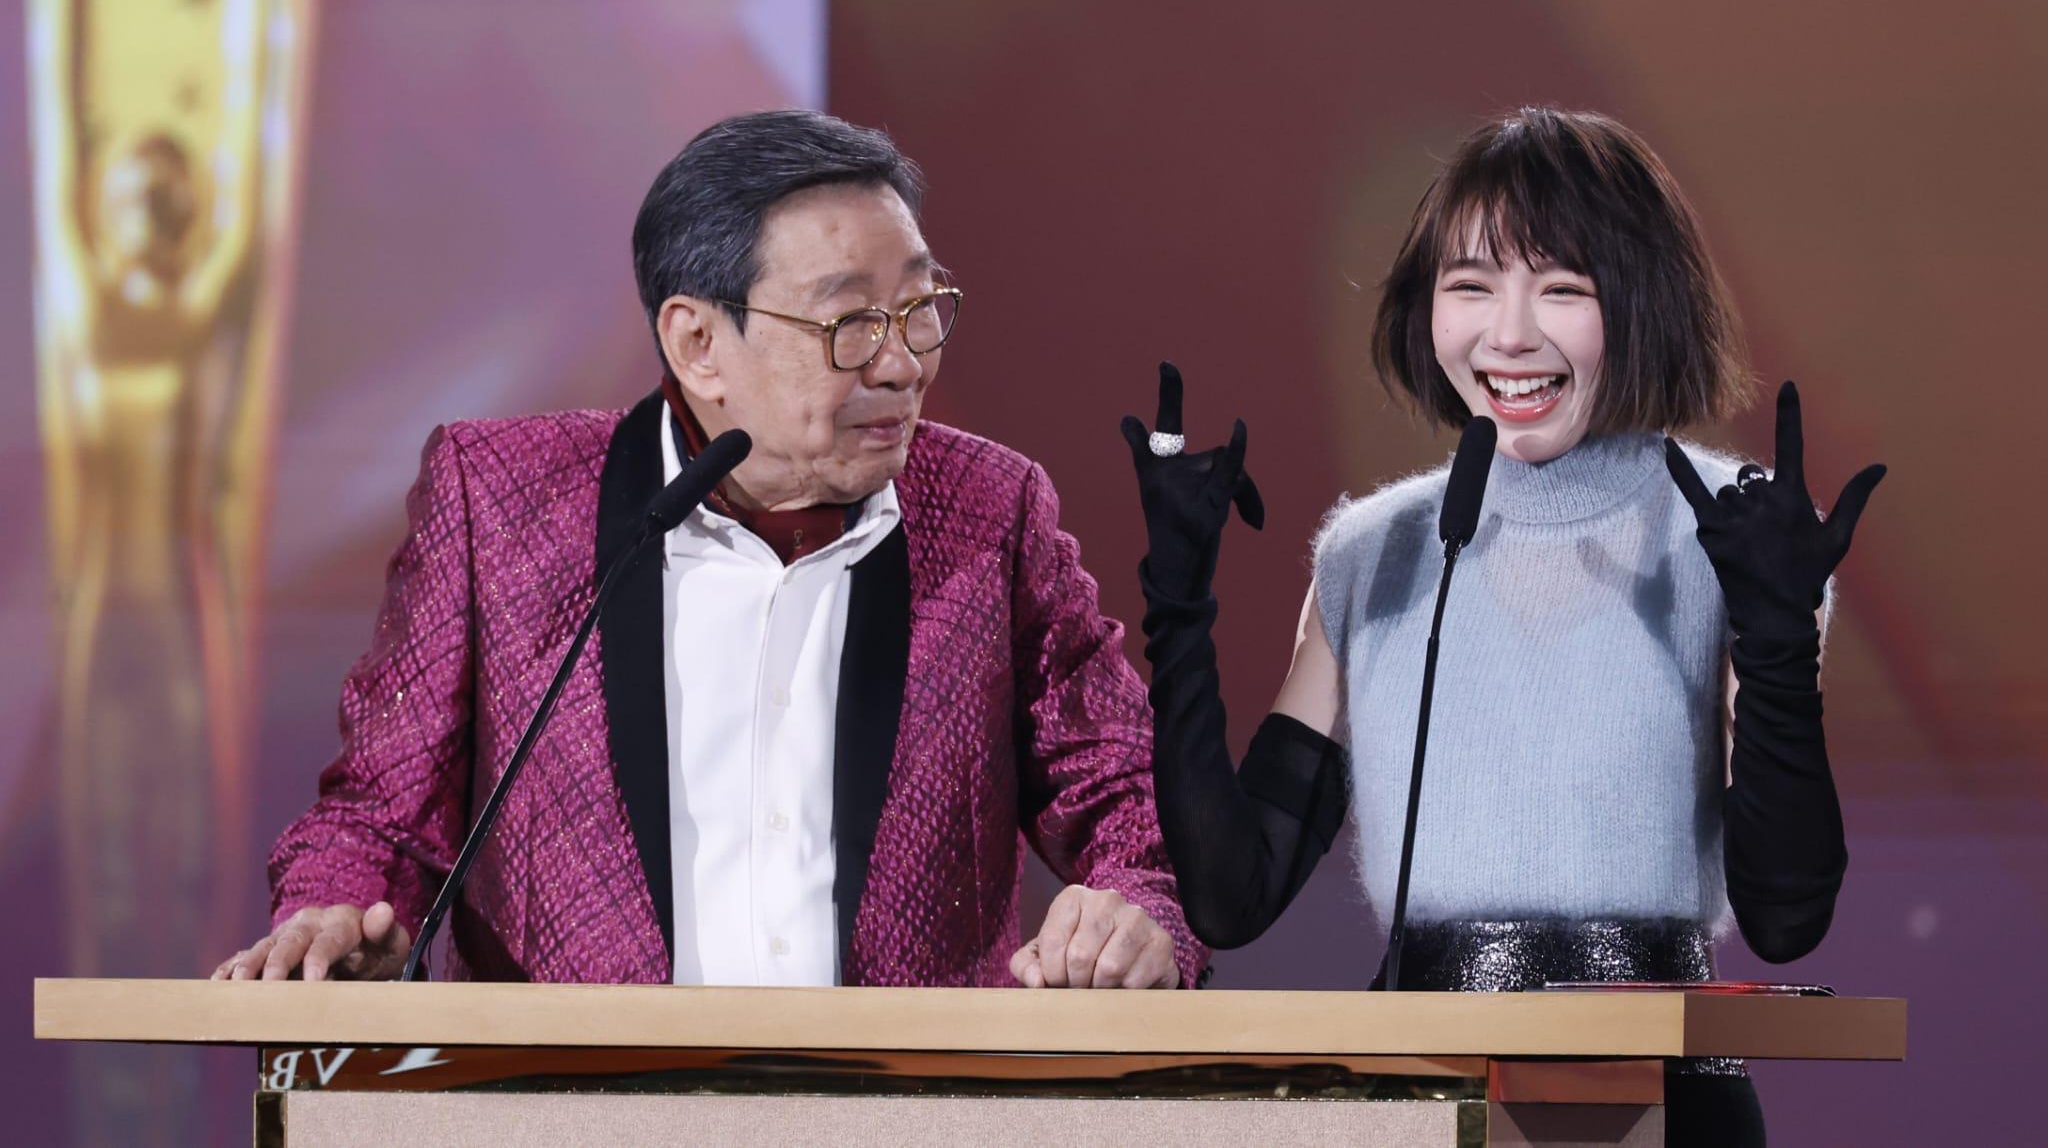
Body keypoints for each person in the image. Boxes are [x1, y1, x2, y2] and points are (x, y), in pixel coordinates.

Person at [216, 109, 1202, 991]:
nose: (903, 363)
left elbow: (1129, 796)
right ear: (696, 344)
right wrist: (336, 914)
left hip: (898, 1103)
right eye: (852, 323)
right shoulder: (504, 502)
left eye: (918, 308)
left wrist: (1137, 907)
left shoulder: (987, 510)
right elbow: (381, 816)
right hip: (572, 1103)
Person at [1122, 107, 1884, 1144]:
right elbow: (1230, 896)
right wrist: (1176, 607)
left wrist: (1778, 636)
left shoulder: (1735, 537)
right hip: (1421, 1098)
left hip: (1665, 1102)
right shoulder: (1374, 552)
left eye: (1562, 287)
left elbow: (1787, 920)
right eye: (1470, 285)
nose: (1509, 334)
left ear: (1641, 300)